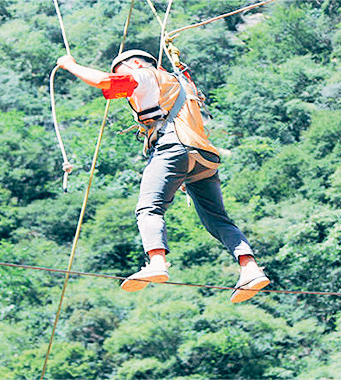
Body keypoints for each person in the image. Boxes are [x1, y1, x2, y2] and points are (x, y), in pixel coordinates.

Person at [56, 50, 269, 303]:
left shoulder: (145, 74)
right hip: (202, 155)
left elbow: (106, 83)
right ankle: (250, 268)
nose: (121, 76)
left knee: (148, 209)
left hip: (173, 148)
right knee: (218, 220)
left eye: (120, 70)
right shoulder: (179, 82)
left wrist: (70, 65)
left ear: (134, 63)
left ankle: (157, 261)